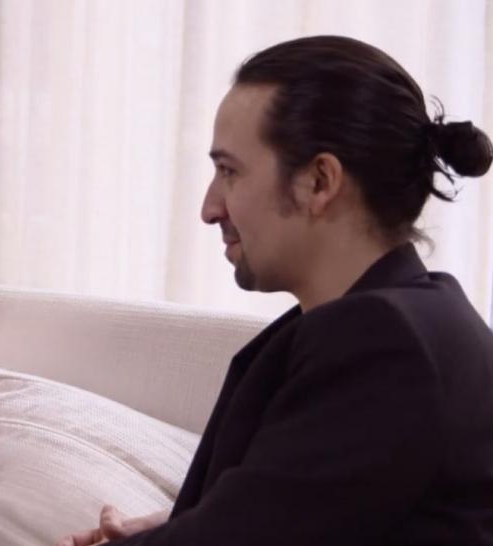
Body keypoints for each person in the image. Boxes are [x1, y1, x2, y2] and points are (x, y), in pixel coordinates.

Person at [58, 35, 493, 545]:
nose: (209, 208)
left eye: (229, 171)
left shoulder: (382, 342)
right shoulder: (421, 318)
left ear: (319, 181)